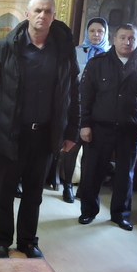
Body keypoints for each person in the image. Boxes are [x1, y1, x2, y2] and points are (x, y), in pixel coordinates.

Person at [0, 0, 79, 259]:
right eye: (37, 10)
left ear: (53, 16)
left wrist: (71, 131)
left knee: (34, 193)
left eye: (47, 11)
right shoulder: (7, 47)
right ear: (27, 14)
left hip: (46, 133)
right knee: (6, 191)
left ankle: (27, 241)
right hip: (12, 132)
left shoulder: (63, 50)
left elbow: (74, 92)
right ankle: (2, 240)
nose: (42, 16)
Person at [77, 24, 137, 230]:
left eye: (131, 38)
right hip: (100, 128)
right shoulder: (98, 63)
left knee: (126, 174)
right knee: (93, 172)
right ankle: (88, 211)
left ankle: (120, 215)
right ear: (114, 39)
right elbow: (85, 97)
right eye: (122, 37)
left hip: (129, 130)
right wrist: (84, 124)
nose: (127, 42)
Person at [58, 17, 110, 203]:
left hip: (100, 109)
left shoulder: (110, 56)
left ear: (106, 34)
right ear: (86, 33)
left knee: (92, 152)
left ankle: (84, 188)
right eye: (92, 31)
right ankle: (67, 186)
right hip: (78, 106)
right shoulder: (76, 52)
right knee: (73, 147)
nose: (96, 35)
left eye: (100, 31)